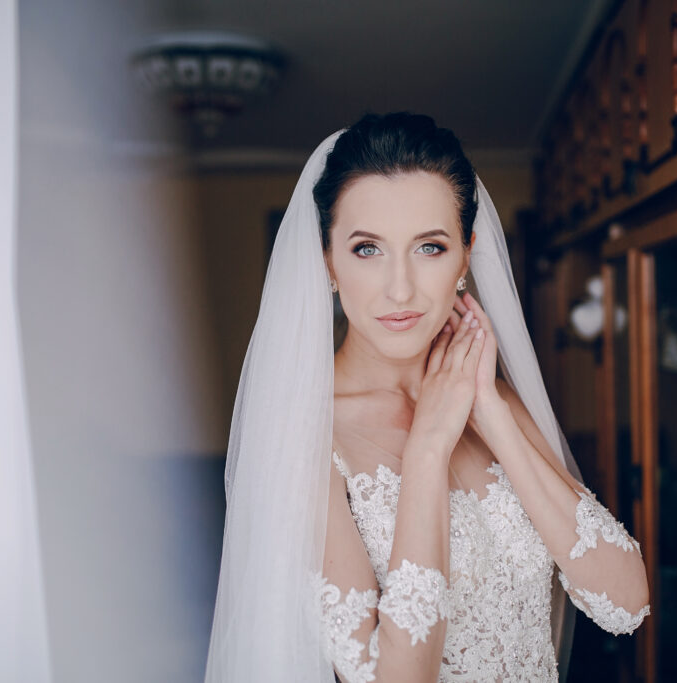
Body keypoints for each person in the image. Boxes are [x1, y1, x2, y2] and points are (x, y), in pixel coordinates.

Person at [203, 112, 650, 683]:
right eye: (367, 249)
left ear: (465, 256)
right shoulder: (305, 441)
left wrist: (489, 411)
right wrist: (427, 450)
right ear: (328, 262)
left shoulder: (491, 396)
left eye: (429, 248)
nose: (399, 288)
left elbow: (626, 601)